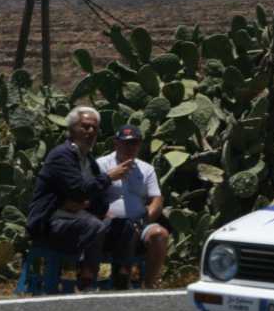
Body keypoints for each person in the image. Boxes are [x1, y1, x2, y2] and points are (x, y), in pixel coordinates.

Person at [26, 106, 133, 290]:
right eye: (85, 126)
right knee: (93, 226)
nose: (90, 131)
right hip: (51, 224)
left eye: (94, 128)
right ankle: (87, 281)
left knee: (123, 225)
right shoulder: (62, 155)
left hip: (78, 220)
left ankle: (121, 280)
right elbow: (78, 190)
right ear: (71, 129)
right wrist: (109, 177)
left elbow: (95, 197)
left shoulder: (88, 160)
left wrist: (99, 209)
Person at [96, 125, 170, 289]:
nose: (130, 147)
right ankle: (118, 279)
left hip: (139, 224)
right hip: (108, 225)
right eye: (125, 143)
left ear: (139, 145)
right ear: (116, 143)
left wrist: (143, 221)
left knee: (160, 234)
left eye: (134, 143)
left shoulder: (147, 169)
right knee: (125, 229)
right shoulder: (101, 165)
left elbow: (156, 199)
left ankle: (148, 286)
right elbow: (93, 195)